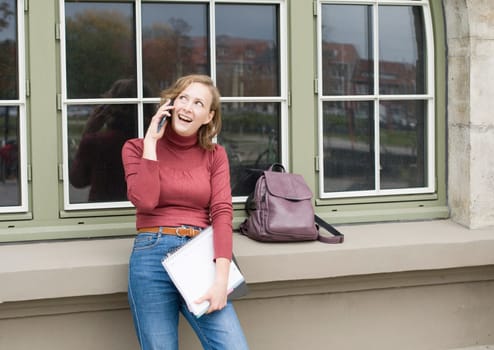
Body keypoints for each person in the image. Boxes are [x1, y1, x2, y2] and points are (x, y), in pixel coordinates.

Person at [122, 74, 249, 350]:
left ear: (208, 117)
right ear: (170, 103)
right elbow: (145, 201)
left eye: (198, 103)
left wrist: (222, 279)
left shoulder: (215, 155)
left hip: (199, 257)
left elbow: (223, 213)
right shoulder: (135, 148)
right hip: (150, 255)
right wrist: (151, 143)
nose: (188, 108)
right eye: (183, 98)